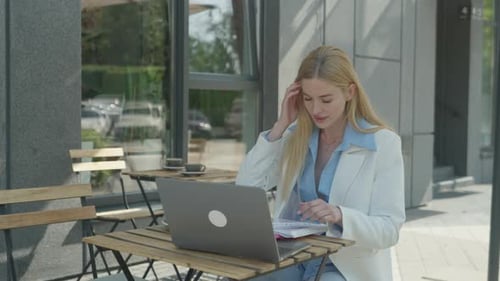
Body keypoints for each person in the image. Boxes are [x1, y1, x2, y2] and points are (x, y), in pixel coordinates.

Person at [235, 46, 405, 281]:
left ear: (350, 92)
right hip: (293, 256)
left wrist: (340, 215)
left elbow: (389, 230)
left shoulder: (383, 144)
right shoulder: (296, 137)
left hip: (344, 266)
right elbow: (246, 187)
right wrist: (280, 126)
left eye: (326, 99)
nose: (316, 109)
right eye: (307, 99)